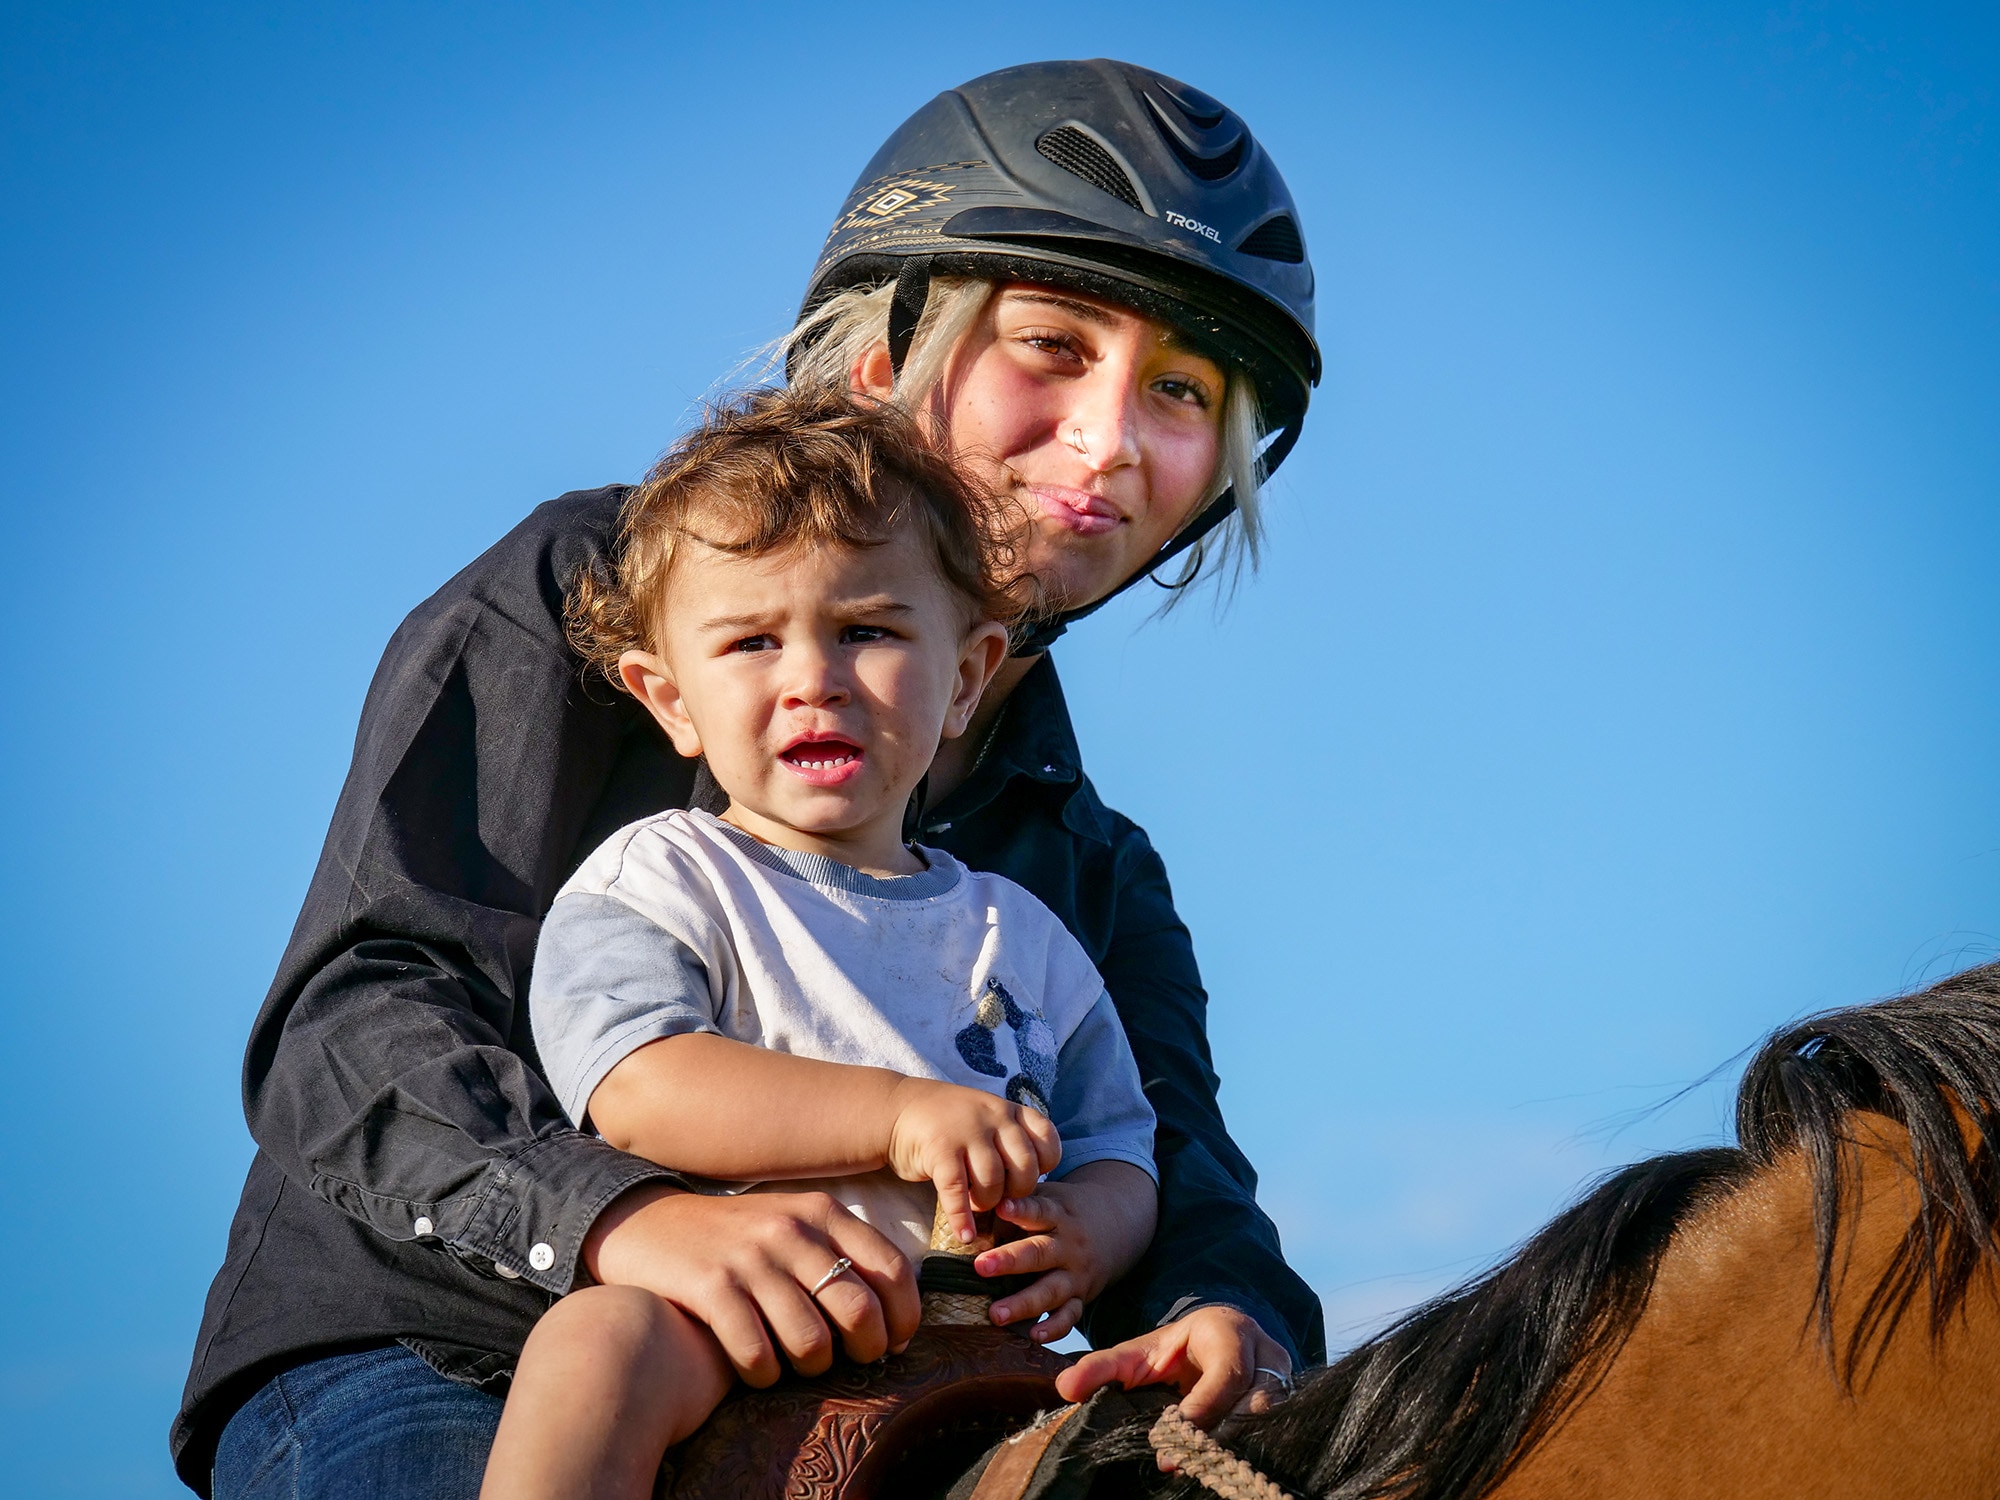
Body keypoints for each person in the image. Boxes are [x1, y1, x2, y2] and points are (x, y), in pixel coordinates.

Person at [180, 58, 1326, 1500]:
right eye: (1049, 345)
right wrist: (625, 1221)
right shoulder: (579, 596)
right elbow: (361, 1017)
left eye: (1178, 391)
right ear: (877, 357)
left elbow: (1177, 1174)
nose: (1106, 441)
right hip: (444, 1350)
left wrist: (1234, 1328)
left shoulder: (1090, 868)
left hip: (904, 1375)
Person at [480, 384, 1160, 1499]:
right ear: (670, 699)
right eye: (750, 641)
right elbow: (637, 1082)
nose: (813, 679)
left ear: (966, 676)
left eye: (868, 631)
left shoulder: (1020, 935)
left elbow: (1118, 1144)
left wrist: (1087, 1232)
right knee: (598, 1345)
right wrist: (898, 1116)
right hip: (740, 1312)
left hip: (985, 1333)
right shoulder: (663, 879)